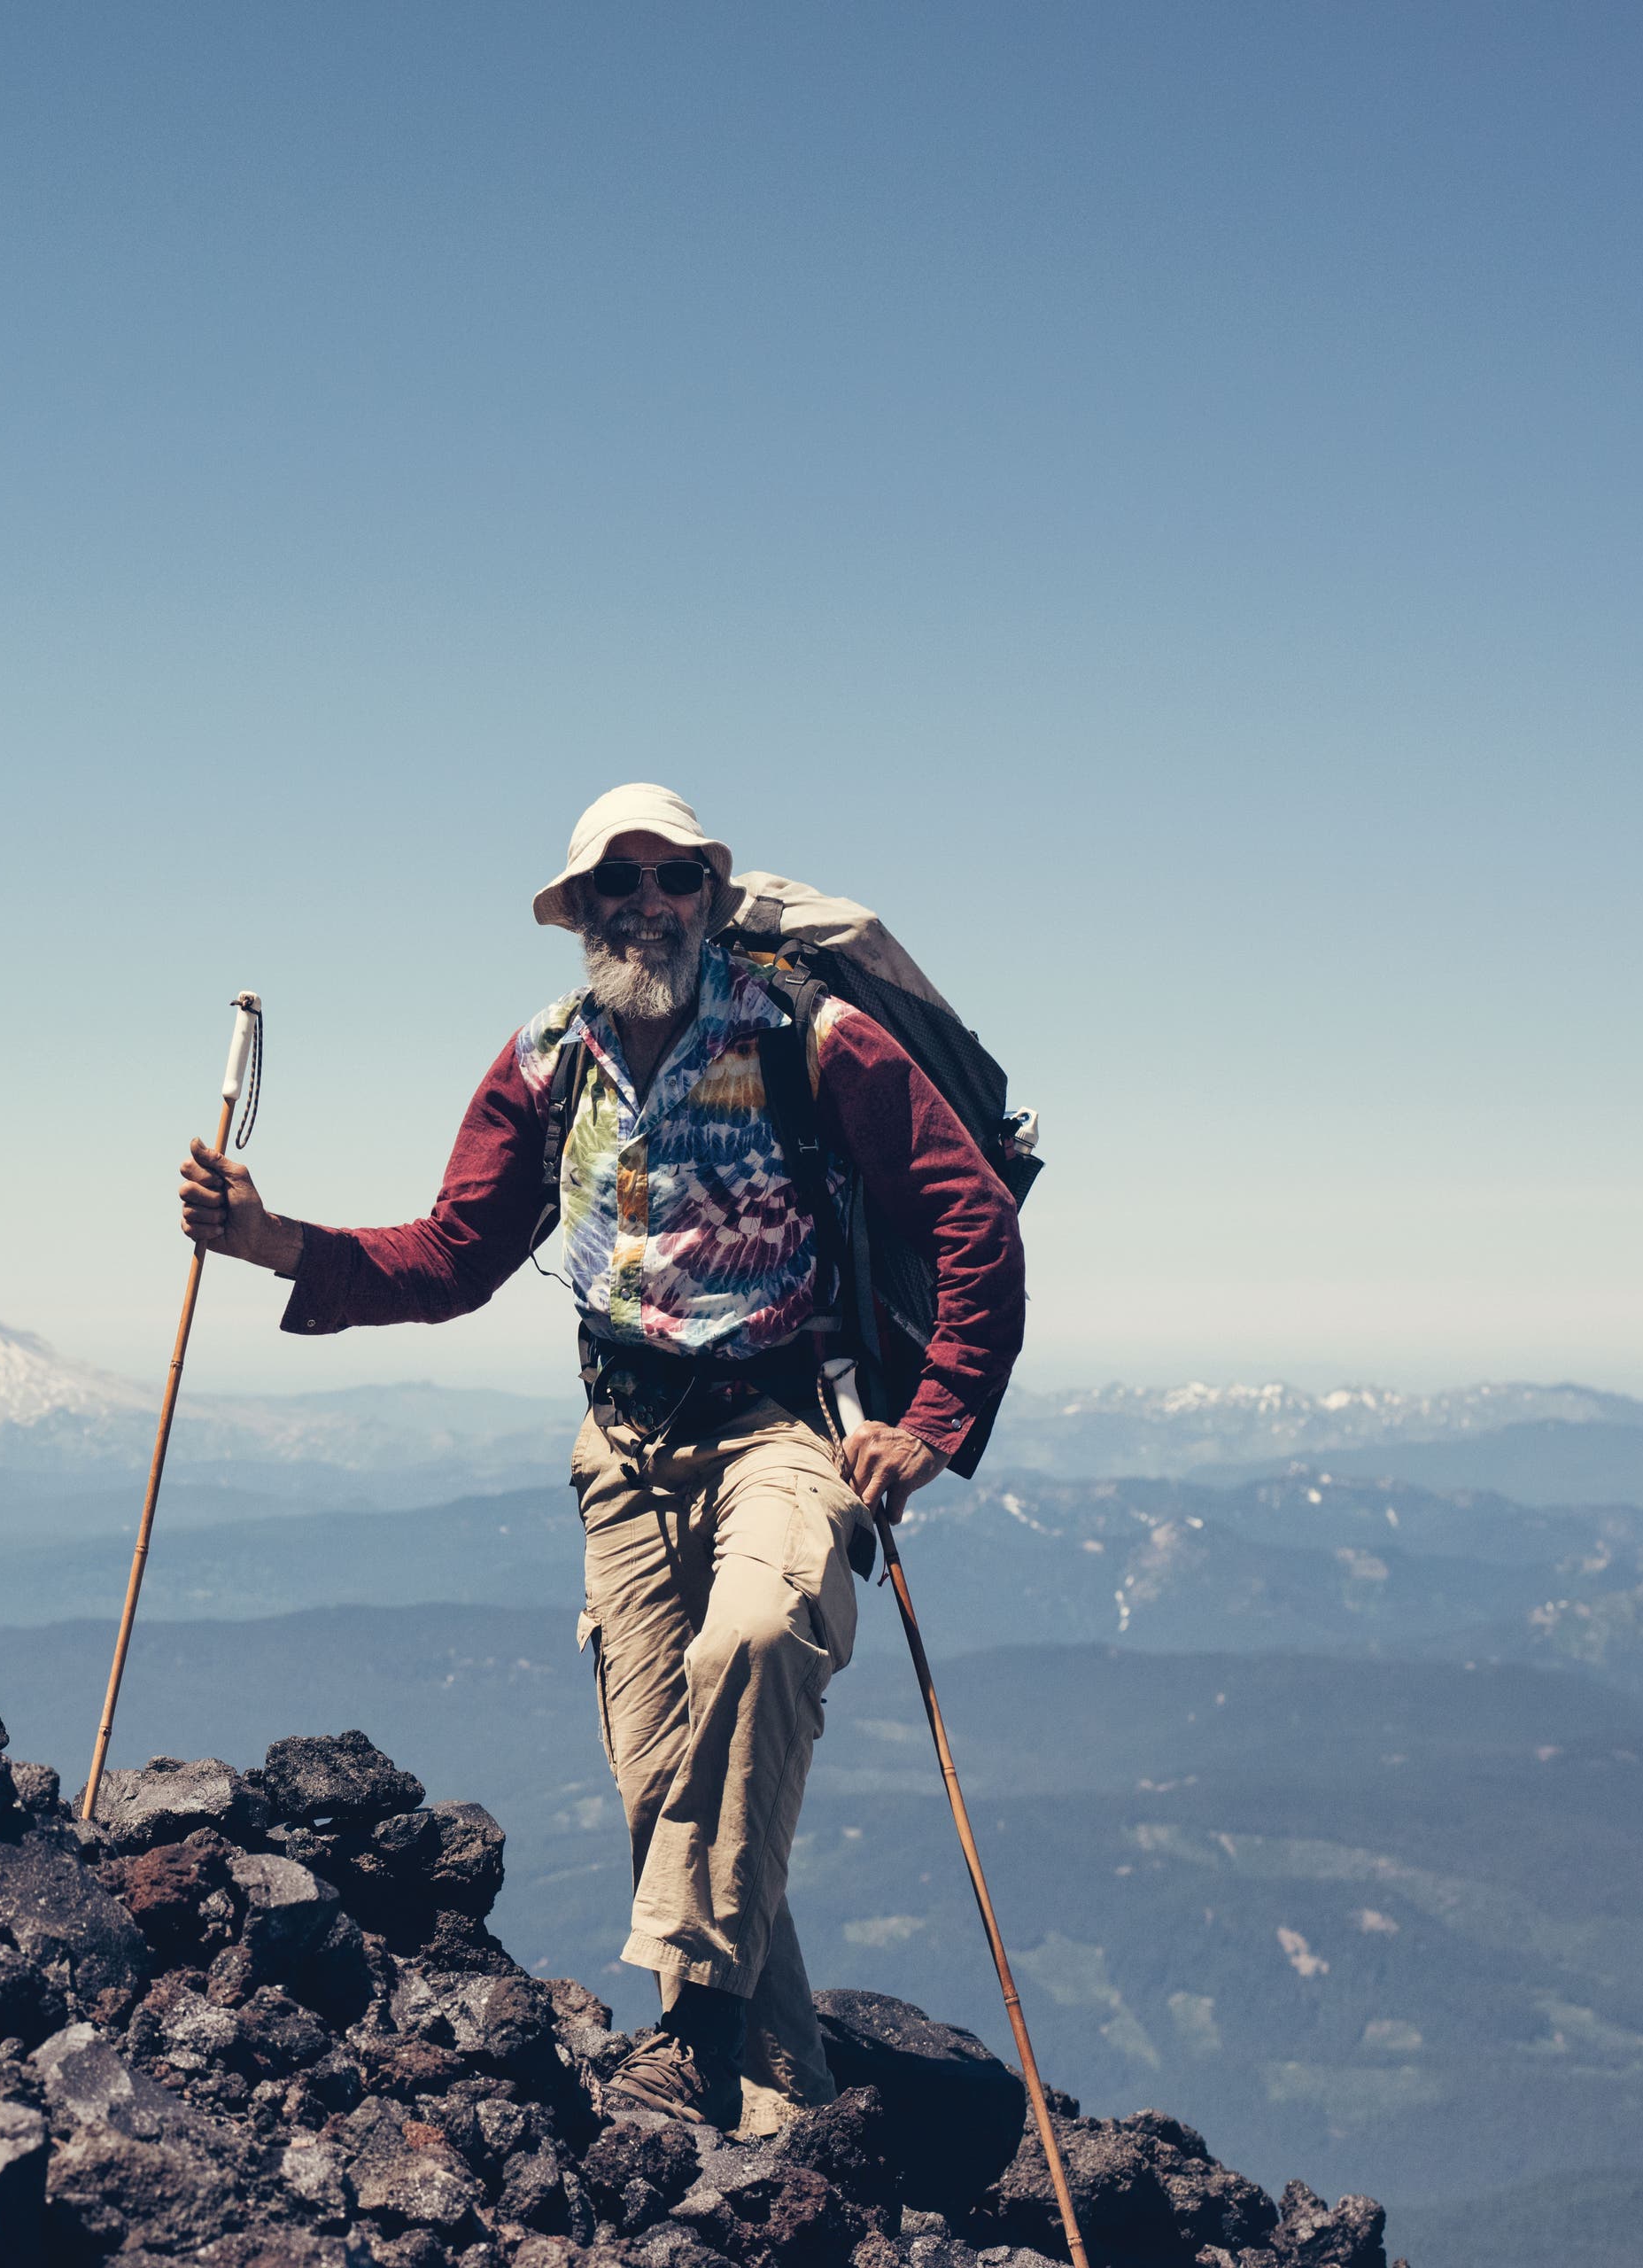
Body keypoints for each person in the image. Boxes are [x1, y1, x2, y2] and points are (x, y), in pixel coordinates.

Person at [174, 782, 1024, 2129]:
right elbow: (454, 1253)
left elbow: (969, 1213)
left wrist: (931, 1421)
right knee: (662, 1779)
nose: (645, 903)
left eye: (671, 878)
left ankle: (691, 2040)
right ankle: (784, 2116)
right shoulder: (544, 1060)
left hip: (786, 1422)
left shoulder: (813, 1034)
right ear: (576, 912)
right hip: (623, 1445)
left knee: (757, 1639)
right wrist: (278, 1242)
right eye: (615, 884)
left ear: (708, 894)